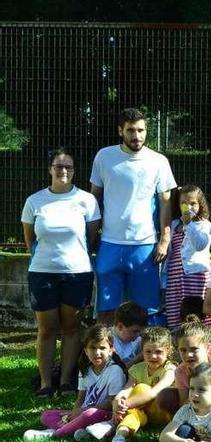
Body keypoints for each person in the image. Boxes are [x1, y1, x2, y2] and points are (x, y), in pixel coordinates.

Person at [22, 148, 101, 398]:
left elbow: (91, 238)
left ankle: (67, 381)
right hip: (42, 272)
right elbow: (29, 240)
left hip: (77, 272)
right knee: (46, 330)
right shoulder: (34, 201)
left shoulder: (87, 200)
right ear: (50, 169)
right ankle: (46, 383)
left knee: (71, 328)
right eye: (58, 166)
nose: (63, 170)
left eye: (68, 166)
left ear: (74, 170)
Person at [90, 108, 176, 324]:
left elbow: (166, 203)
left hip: (145, 247)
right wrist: (91, 237)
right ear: (121, 131)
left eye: (141, 130)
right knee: (106, 312)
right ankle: (105, 356)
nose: (136, 136)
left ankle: (150, 357)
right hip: (109, 244)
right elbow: (94, 200)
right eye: (130, 130)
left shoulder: (159, 161)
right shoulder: (104, 156)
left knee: (149, 312)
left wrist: (165, 239)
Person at [24, 326, 127, 441]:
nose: (97, 352)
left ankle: (54, 434)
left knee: (88, 414)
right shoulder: (85, 369)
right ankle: (80, 429)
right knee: (46, 415)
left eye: (102, 348)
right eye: (92, 348)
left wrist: (83, 411)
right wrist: (74, 413)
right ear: (85, 350)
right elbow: (80, 398)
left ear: (111, 349)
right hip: (84, 412)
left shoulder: (115, 370)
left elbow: (111, 403)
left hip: (104, 415)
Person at [108, 326, 178, 442]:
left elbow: (154, 392)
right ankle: (119, 437)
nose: (153, 356)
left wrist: (125, 405)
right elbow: (126, 389)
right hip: (143, 411)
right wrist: (118, 401)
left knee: (141, 388)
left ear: (168, 351)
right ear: (142, 351)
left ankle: (110, 424)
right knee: (133, 413)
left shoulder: (170, 369)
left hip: (163, 413)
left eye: (158, 352)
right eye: (148, 352)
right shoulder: (137, 369)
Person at [165, 185, 211, 330]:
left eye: (193, 203)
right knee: (175, 313)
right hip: (175, 276)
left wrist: (189, 224)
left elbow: (200, 245)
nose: (188, 207)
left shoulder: (204, 225)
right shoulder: (173, 225)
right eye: (184, 203)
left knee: (195, 314)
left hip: (196, 276)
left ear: (200, 204)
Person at [111, 302, 148, 367]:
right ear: (120, 326)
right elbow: (118, 370)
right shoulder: (107, 341)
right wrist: (138, 358)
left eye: (140, 332)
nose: (138, 335)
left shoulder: (137, 340)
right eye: (135, 331)